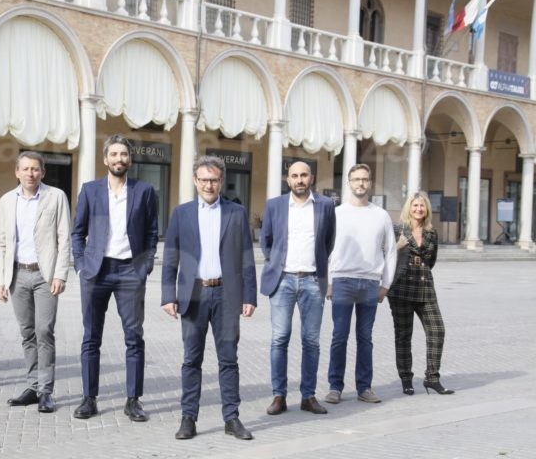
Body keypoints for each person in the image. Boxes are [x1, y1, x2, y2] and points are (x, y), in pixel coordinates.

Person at [162, 155, 257, 441]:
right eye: (203, 179)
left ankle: (232, 418)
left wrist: (249, 296)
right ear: (195, 180)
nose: (209, 185)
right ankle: (188, 418)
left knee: (228, 359)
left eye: (214, 180)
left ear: (221, 181)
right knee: (191, 359)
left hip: (227, 294)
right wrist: (168, 295)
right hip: (193, 294)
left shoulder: (236, 213)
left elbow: (247, 257)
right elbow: (170, 257)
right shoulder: (181, 213)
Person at [72, 134, 158, 421]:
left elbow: (151, 232)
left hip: (130, 272)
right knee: (91, 337)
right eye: (114, 154)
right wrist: (81, 265)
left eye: (124, 154)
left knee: (134, 337)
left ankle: (133, 400)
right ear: (105, 158)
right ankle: (89, 399)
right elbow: (77, 232)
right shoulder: (90, 190)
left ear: (130, 159)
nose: (119, 159)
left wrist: (145, 266)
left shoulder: (144, 191)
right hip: (95, 271)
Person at [0, 152, 71, 413]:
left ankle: (46, 391)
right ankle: (32, 386)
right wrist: (0, 278)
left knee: (44, 331)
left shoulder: (56, 196)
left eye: (35, 169)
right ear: (17, 172)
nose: (30, 173)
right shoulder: (7, 200)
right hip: (17, 275)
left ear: (42, 172)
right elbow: (0, 242)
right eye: (25, 169)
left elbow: (64, 237)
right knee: (27, 332)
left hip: (44, 276)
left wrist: (60, 274)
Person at [260, 161, 336, 416]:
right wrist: (276, 264)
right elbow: (266, 241)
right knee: (279, 338)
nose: (299, 180)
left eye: (304, 175)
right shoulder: (275, 205)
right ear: (288, 179)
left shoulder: (325, 205)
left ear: (311, 178)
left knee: (311, 341)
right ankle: (279, 396)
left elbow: (329, 241)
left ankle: (308, 396)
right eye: (295, 175)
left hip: (313, 280)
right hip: (282, 280)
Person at [324, 163, 396, 405]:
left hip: (370, 283)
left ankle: (364, 387)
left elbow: (391, 251)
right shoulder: (337, 213)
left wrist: (386, 284)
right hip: (341, 281)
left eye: (364, 179)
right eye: (356, 179)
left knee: (365, 338)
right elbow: (325, 249)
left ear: (370, 183)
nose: (360, 183)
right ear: (349, 183)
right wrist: (328, 281)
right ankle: (335, 387)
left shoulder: (381, 215)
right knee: (339, 337)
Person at [388, 192, 454, 396]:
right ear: (409, 208)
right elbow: (386, 256)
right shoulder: (397, 229)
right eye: (415, 205)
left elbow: (431, 261)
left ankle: (432, 378)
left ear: (427, 210)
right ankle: (406, 379)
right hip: (400, 288)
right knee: (403, 335)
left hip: (425, 288)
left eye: (422, 206)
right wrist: (397, 247)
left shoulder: (431, 233)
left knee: (437, 330)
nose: (418, 209)